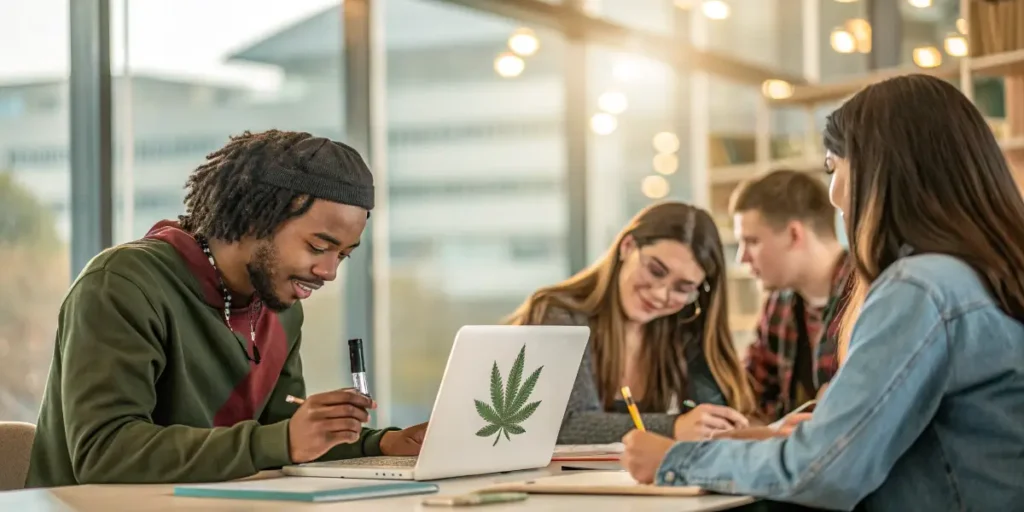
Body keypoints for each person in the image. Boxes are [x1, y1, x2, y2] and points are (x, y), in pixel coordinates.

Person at [620, 74, 1024, 510]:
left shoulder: (920, 289)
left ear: (882, 171)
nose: (835, 198)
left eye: (833, 166)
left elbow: (824, 471)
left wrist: (674, 458)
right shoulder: (984, 276)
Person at [27, 130, 427, 488]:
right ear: (256, 217)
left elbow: (278, 438)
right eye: (318, 247)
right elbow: (103, 452)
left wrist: (384, 443)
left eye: (344, 255)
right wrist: (281, 440)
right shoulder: (122, 284)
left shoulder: (280, 306)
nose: (328, 271)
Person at [506, 201, 755, 445]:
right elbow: (567, 425)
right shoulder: (559, 315)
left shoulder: (683, 327)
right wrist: (674, 427)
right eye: (656, 271)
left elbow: (715, 420)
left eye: (683, 288)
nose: (660, 294)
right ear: (627, 246)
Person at [730, 170, 852, 421]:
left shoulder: (871, 295)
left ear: (794, 234)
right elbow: (749, 396)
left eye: (752, 241)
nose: (741, 258)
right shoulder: (780, 303)